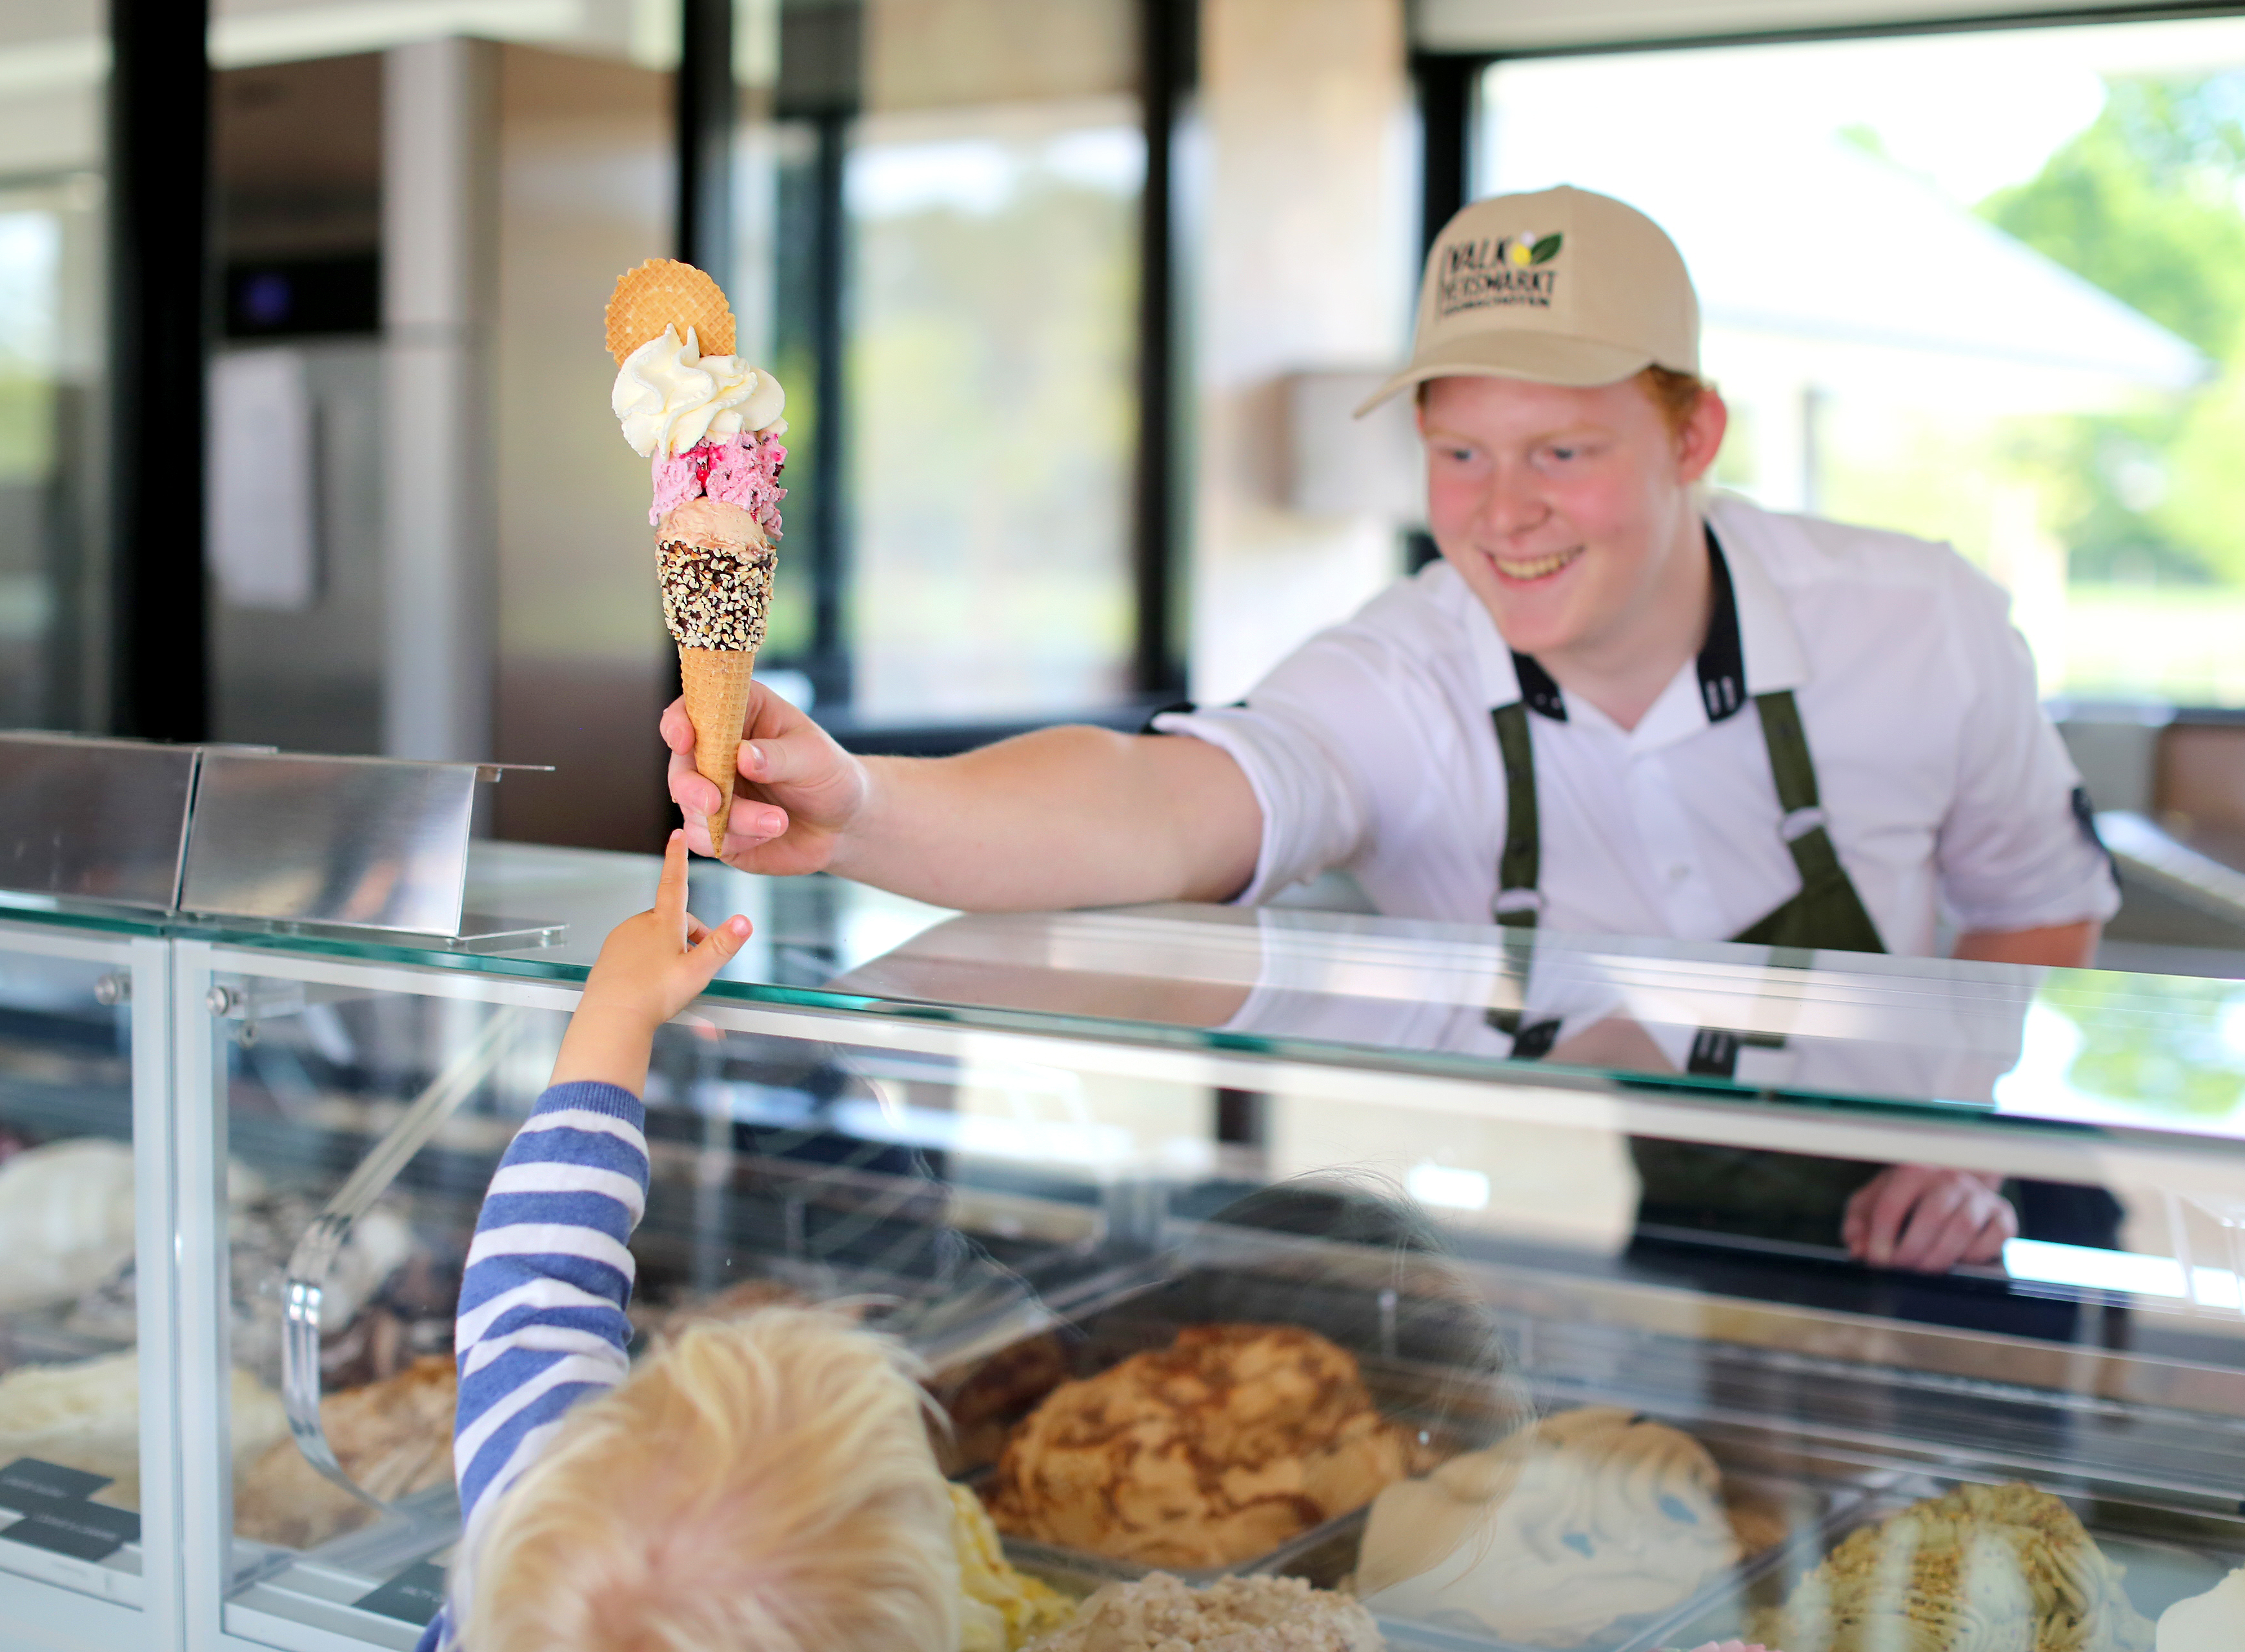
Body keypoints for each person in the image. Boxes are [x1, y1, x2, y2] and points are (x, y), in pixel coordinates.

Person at [661, 186, 2119, 1274]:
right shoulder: (1404, 672)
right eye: (1458, 451)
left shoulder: (1914, 623)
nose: (1504, 512)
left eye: (1561, 450)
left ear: (1692, 438)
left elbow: (2036, 909)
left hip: (1929, 1232)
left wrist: (1960, 1138)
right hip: (1587, 1257)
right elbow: (1160, 802)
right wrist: (866, 805)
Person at [417, 840, 970, 1652]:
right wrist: (622, 1010)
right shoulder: (528, 1525)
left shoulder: (522, 1548)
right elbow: (534, 1283)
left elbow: (534, 1282)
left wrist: (618, 1008)